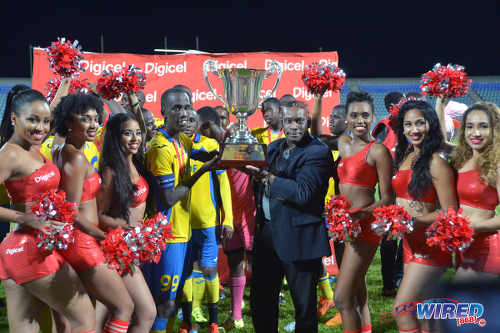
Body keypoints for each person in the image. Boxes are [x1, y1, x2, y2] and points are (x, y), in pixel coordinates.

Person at [0, 87, 96, 332]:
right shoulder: (9, 155)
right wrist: (28, 219)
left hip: (25, 246)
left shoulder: (31, 146)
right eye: (32, 120)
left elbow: (47, 111)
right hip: (30, 248)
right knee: (84, 321)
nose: (41, 128)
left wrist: (65, 80)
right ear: (13, 118)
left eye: (45, 122)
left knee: (27, 326)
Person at [52, 93, 134, 333]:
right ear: (69, 122)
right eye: (85, 118)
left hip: (78, 241)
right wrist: (105, 237)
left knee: (71, 319)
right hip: (83, 243)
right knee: (124, 307)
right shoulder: (75, 158)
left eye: (96, 119)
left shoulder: (60, 148)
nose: (93, 125)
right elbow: (71, 212)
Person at [247, 102, 332, 333]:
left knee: (304, 308)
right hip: (267, 234)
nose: (294, 126)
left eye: (299, 121)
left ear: (308, 122)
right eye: (289, 121)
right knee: (261, 301)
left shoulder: (317, 151)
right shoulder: (274, 147)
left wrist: (268, 178)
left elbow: (303, 193)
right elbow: (262, 187)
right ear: (281, 122)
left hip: (300, 237)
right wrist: (257, 180)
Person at [142, 88, 217, 333]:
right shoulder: (159, 148)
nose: (183, 113)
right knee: (163, 302)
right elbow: (168, 199)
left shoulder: (179, 139)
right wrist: (202, 171)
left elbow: (200, 152)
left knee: (172, 301)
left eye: (187, 107)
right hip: (167, 235)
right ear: (163, 111)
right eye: (176, 108)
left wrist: (222, 149)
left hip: (183, 230)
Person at [390, 100, 458, 333]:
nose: (414, 129)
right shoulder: (407, 155)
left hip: (430, 245)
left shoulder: (437, 162)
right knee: (428, 312)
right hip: (410, 243)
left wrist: (412, 221)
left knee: (402, 309)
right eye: (408, 124)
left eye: (420, 123)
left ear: (431, 124)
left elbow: (449, 212)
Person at [333, 91, 394, 333]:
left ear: (373, 118)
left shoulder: (378, 151)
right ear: (345, 118)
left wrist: (359, 215)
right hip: (344, 225)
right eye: (354, 115)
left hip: (364, 227)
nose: (360, 120)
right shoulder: (343, 144)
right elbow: (316, 129)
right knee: (358, 289)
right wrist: (318, 95)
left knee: (341, 298)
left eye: (365, 115)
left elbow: (388, 198)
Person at [96, 112, 157, 332]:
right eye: (127, 133)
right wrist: (124, 228)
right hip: (113, 250)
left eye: (138, 133)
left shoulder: (137, 164)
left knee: (144, 313)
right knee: (110, 315)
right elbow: (98, 216)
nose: (135, 138)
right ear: (115, 137)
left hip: (130, 249)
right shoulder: (111, 171)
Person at [181, 106, 234, 333]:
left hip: (208, 221)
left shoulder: (211, 146)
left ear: (199, 123)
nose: (187, 123)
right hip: (181, 222)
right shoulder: (176, 146)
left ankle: (213, 322)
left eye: (192, 120)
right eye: (183, 119)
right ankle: (188, 320)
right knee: (187, 272)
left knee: (209, 269)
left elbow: (224, 185)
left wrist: (228, 218)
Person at [450, 103, 500, 280]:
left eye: (483, 126)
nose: (475, 133)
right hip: (462, 247)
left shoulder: (497, 163)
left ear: (495, 130)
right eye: (470, 126)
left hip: (485, 249)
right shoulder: (462, 158)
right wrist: (441, 102)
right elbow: (439, 142)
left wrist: (468, 227)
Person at [311, 95, 349, 326]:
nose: (332, 120)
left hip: (343, 213)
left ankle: (346, 309)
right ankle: (328, 296)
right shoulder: (328, 144)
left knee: (346, 263)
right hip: (322, 211)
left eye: (337, 117)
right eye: (331, 116)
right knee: (316, 255)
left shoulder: (347, 145)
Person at [371, 91, 406, 298]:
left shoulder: (407, 124)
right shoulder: (384, 126)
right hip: (389, 188)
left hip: (405, 186)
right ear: (394, 105)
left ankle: (397, 278)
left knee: (404, 232)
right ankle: (389, 282)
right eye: (402, 101)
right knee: (389, 234)